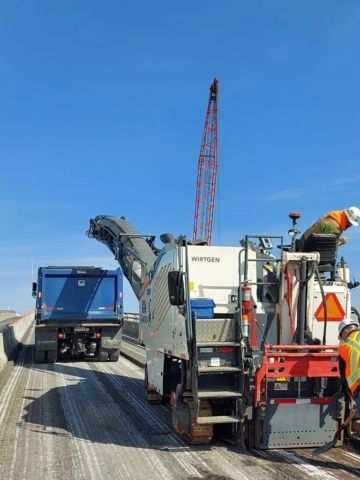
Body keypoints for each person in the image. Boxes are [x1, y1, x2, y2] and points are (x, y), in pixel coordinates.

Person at [338, 317, 360, 416]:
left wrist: (349, 392)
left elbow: (342, 372)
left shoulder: (344, 347)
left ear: (346, 331)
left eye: (342, 336)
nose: (343, 339)